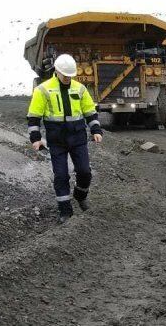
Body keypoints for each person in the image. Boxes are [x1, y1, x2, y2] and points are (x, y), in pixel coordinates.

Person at [27, 54, 103, 223]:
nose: (68, 78)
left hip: (78, 138)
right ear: (57, 71)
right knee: (61, 176)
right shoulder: (43, 90)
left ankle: (80, 195)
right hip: (57, 140)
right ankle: (65, 212)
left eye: (70, 75)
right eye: (65, 75)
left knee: (84, 172)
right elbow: (34, 117)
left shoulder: (79, 88)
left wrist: (96, 129)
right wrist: (35, 138)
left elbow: (90, 111)